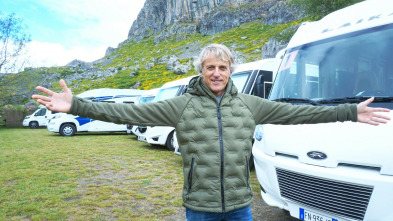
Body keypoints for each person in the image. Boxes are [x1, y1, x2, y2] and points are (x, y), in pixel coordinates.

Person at [32, 44, 390, 221]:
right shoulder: (181, 104)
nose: (216, 72)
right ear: (201, 71)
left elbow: (298, 113)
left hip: (239, 207)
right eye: (209, 67)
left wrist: (351, 112)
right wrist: (76, 105)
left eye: (222, 67)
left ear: (230, 70)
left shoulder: (250, 104)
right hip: (199, 207)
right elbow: (127, 110)